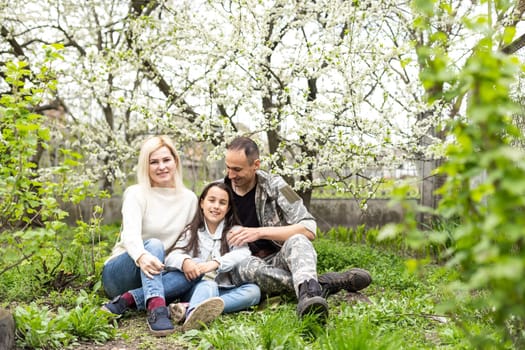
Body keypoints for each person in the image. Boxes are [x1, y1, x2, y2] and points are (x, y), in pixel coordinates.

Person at [223, 136, 372, 320]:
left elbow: (308, 227)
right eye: (228, 167)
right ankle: (318, 285)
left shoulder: (278, 186)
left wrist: (259, 232)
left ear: (256, 165)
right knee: (246, 267)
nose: (230, 175)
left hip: (280, 258)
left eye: (237, 169)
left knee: (298, 239)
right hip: (244, 262)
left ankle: (309, 298)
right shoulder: (219, 191)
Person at [101, 135, 199, 337]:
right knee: (154, 245)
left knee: (194, 272)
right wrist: (142, 256)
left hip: (158, 273)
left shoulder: (189, 199)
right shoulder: (136, 193)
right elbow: (130, 235)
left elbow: (185, 244)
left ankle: (126, 300)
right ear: (145, 166)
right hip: (122, 271)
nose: (161, 166)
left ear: (175, 161)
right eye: (153, 162)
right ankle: (156, 309)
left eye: (166, 160)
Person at [164, 182, 261, 331]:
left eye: (222, 203)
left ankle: (190, 309)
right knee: (209, 285)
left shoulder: (234, 231)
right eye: (211, 200)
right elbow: (172, 256)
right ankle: (193, 316)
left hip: (224, 288)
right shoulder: (191, 231)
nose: (216, 206)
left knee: (254, 291)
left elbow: (243, 253)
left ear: (228, 208)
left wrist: (217, 263)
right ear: (202, 203)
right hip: (197, 289)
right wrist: (185, 261)